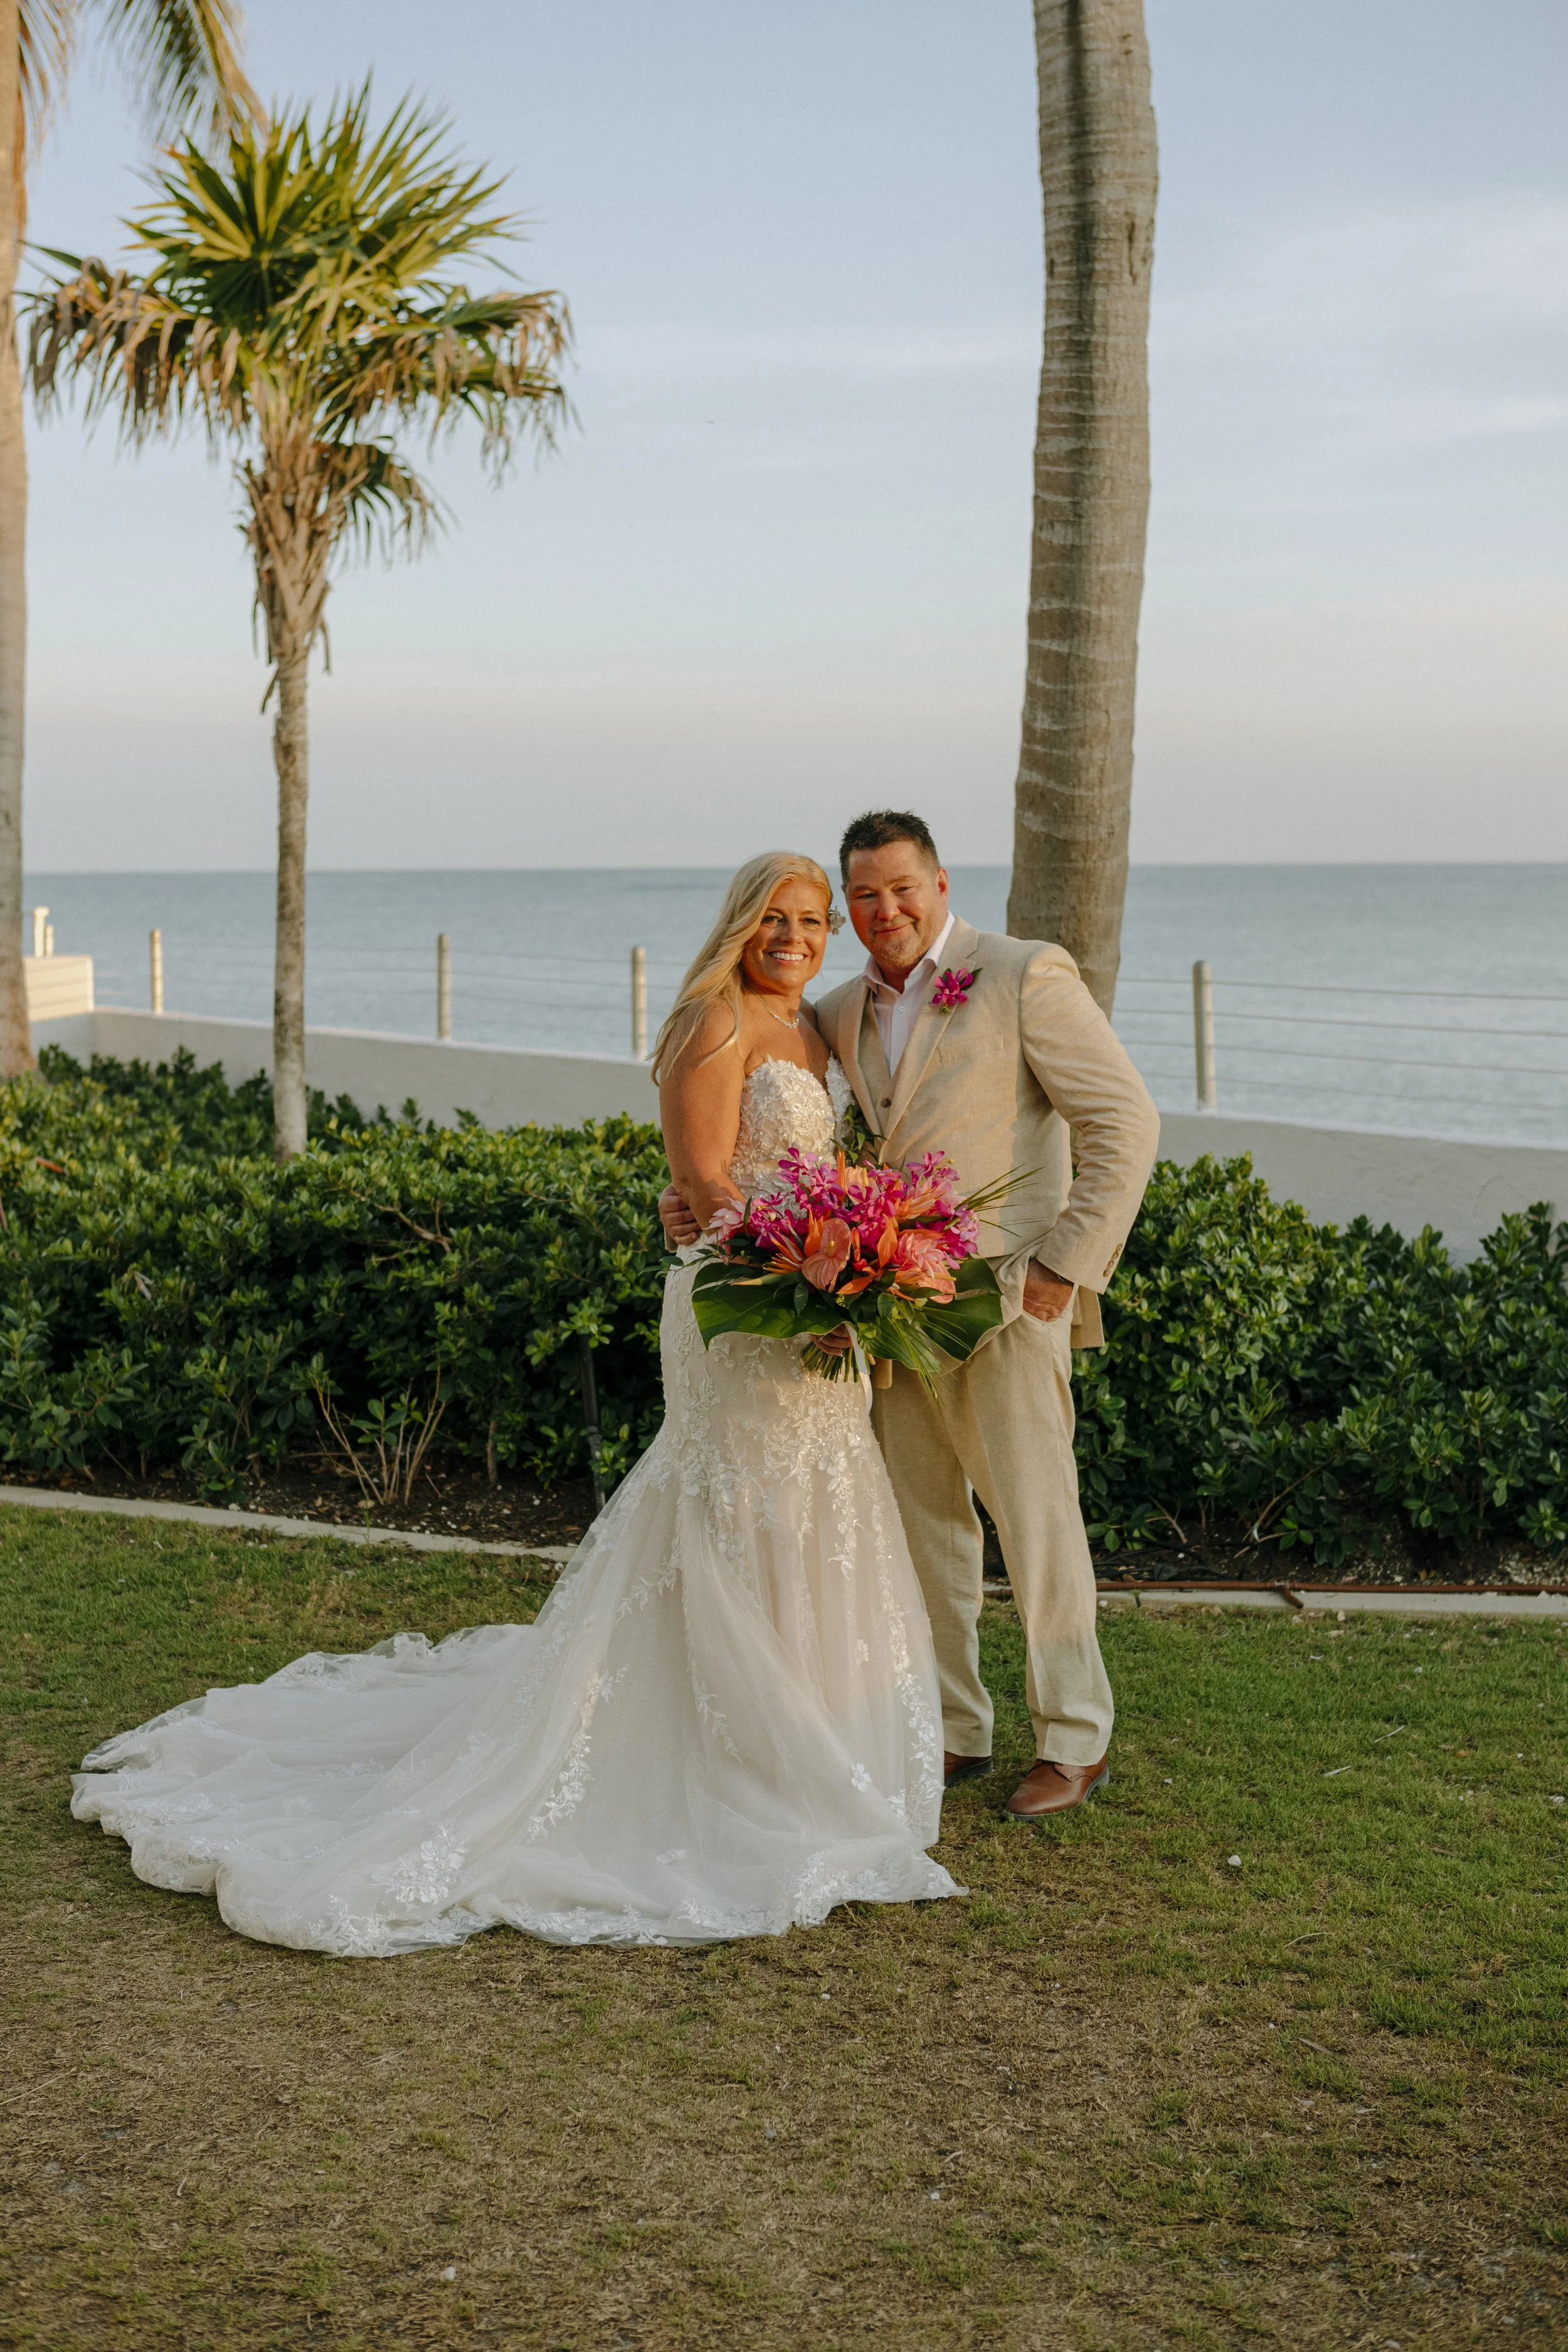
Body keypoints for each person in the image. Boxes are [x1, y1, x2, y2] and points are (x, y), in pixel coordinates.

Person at [71, 852, 961, 1954]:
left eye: (813, 918)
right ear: (740, 922)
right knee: (736, 1505)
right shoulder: (712, 1021)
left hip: (815, 1310)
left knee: (812, 1502)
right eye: (776, 916)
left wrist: (860, 1263)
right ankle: (733, 1755)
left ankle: (821, 1738)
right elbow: (708, 1181)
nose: (797, 934)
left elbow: (808, 1166)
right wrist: (796, 1271)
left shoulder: (817, 1030)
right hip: (745, 1304)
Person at [662, 812, 1158, 1819]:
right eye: (866, 896)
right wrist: (696, 1203)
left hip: (1011, 1304)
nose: (884, 910)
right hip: (881, 1315)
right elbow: (777, 1154)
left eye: (902, 889)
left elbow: (1125, 1120)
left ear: (938, 883)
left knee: (1036, 1523)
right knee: (922, 1526)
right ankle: (953, 1727)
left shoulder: (1021, 974)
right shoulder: (832, 1009)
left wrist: (1064, 1265)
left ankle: (1074, 1736)